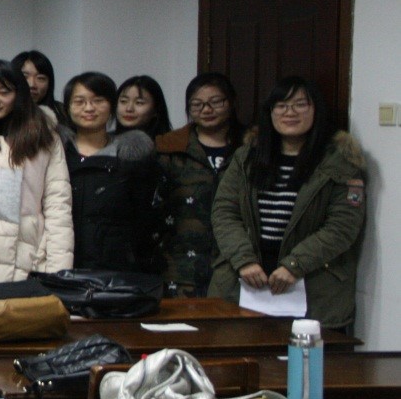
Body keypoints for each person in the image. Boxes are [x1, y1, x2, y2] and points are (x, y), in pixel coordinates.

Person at [209, 77, 366, 331]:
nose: (289, 112)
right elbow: (224, 212)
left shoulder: (340, 162)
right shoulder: (246, 157)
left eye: (300, 104)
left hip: (313, 286)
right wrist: (243, 259)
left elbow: (342, 227)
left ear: (316, 110)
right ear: (270, 112)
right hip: (246, 281)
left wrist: (295, 265)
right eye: (281, 105)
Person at [0, 60, 73, 284]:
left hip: (34, 256)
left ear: (19, 93)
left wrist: (58, 271)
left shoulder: (43, 136)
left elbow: (58, 205)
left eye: (4, 92)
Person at [58, 71, 163, 273]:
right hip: (63, 263)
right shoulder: (56, 153)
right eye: (79, 101)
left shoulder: (131, 156)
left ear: (112, 105)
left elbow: (143, 218)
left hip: (116, 268)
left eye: (98, 101)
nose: (89, 108)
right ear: (68, 108)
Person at [156, 72, 246, 297]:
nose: (206, 110)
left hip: (237, 261)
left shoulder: (250, 147)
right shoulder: (169, 147)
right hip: (179, 263)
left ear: (232, 102)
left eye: (215, 102)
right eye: (197, 104)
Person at [12, 50, 65, 123]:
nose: (32, 85)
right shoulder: (1, 111)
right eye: (24, 77)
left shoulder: (63, 112)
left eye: (40, 78)